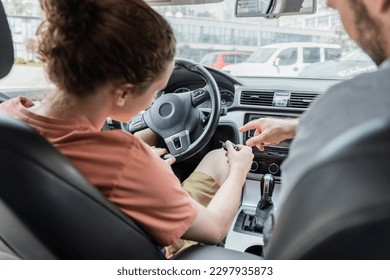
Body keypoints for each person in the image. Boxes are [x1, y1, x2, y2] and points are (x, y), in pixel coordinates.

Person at [0, 0, 253, 256]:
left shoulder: (7, 115)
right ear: (123, 93)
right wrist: (241, 168)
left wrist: (146, 172)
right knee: (219, 159)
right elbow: (214, 228)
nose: (156, 103)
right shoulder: (125, 159)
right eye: (156, 91)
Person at [240, 0, 390, 210]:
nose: (330, 5)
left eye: (336, 5)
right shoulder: (362, 106)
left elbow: (292, 218)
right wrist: (293, 128)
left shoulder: (347, 102)